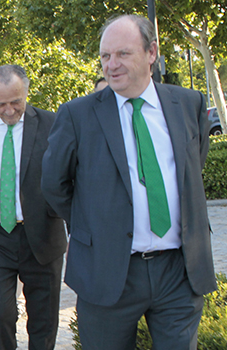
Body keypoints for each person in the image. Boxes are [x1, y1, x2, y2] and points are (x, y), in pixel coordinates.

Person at [42, 14, 215, 349]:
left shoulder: (188, 104)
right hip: (108, 271)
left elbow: (191, 167)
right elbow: (53, 184)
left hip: (179, 269)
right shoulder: (77, 114)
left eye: (123, 54)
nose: (112, 64)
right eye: (105, 56)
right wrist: (94, 226)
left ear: (151, 52)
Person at [0, 65, 67, 350]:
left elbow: (69, 179)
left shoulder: (52, 124)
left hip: (42, 236)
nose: (8, 111)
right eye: (0, 104)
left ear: (26, 93)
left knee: (43, 321)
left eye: (15, 102)